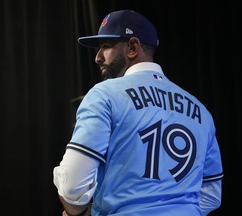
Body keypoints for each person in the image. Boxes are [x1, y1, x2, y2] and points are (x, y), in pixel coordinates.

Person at [53, 9, 224, 216]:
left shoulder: (104, 94)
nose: (97, 57)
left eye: (105, 47)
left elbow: (72, 188)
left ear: (133, 47)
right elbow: (211, 195)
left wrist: (78, 211)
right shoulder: (200, 111)